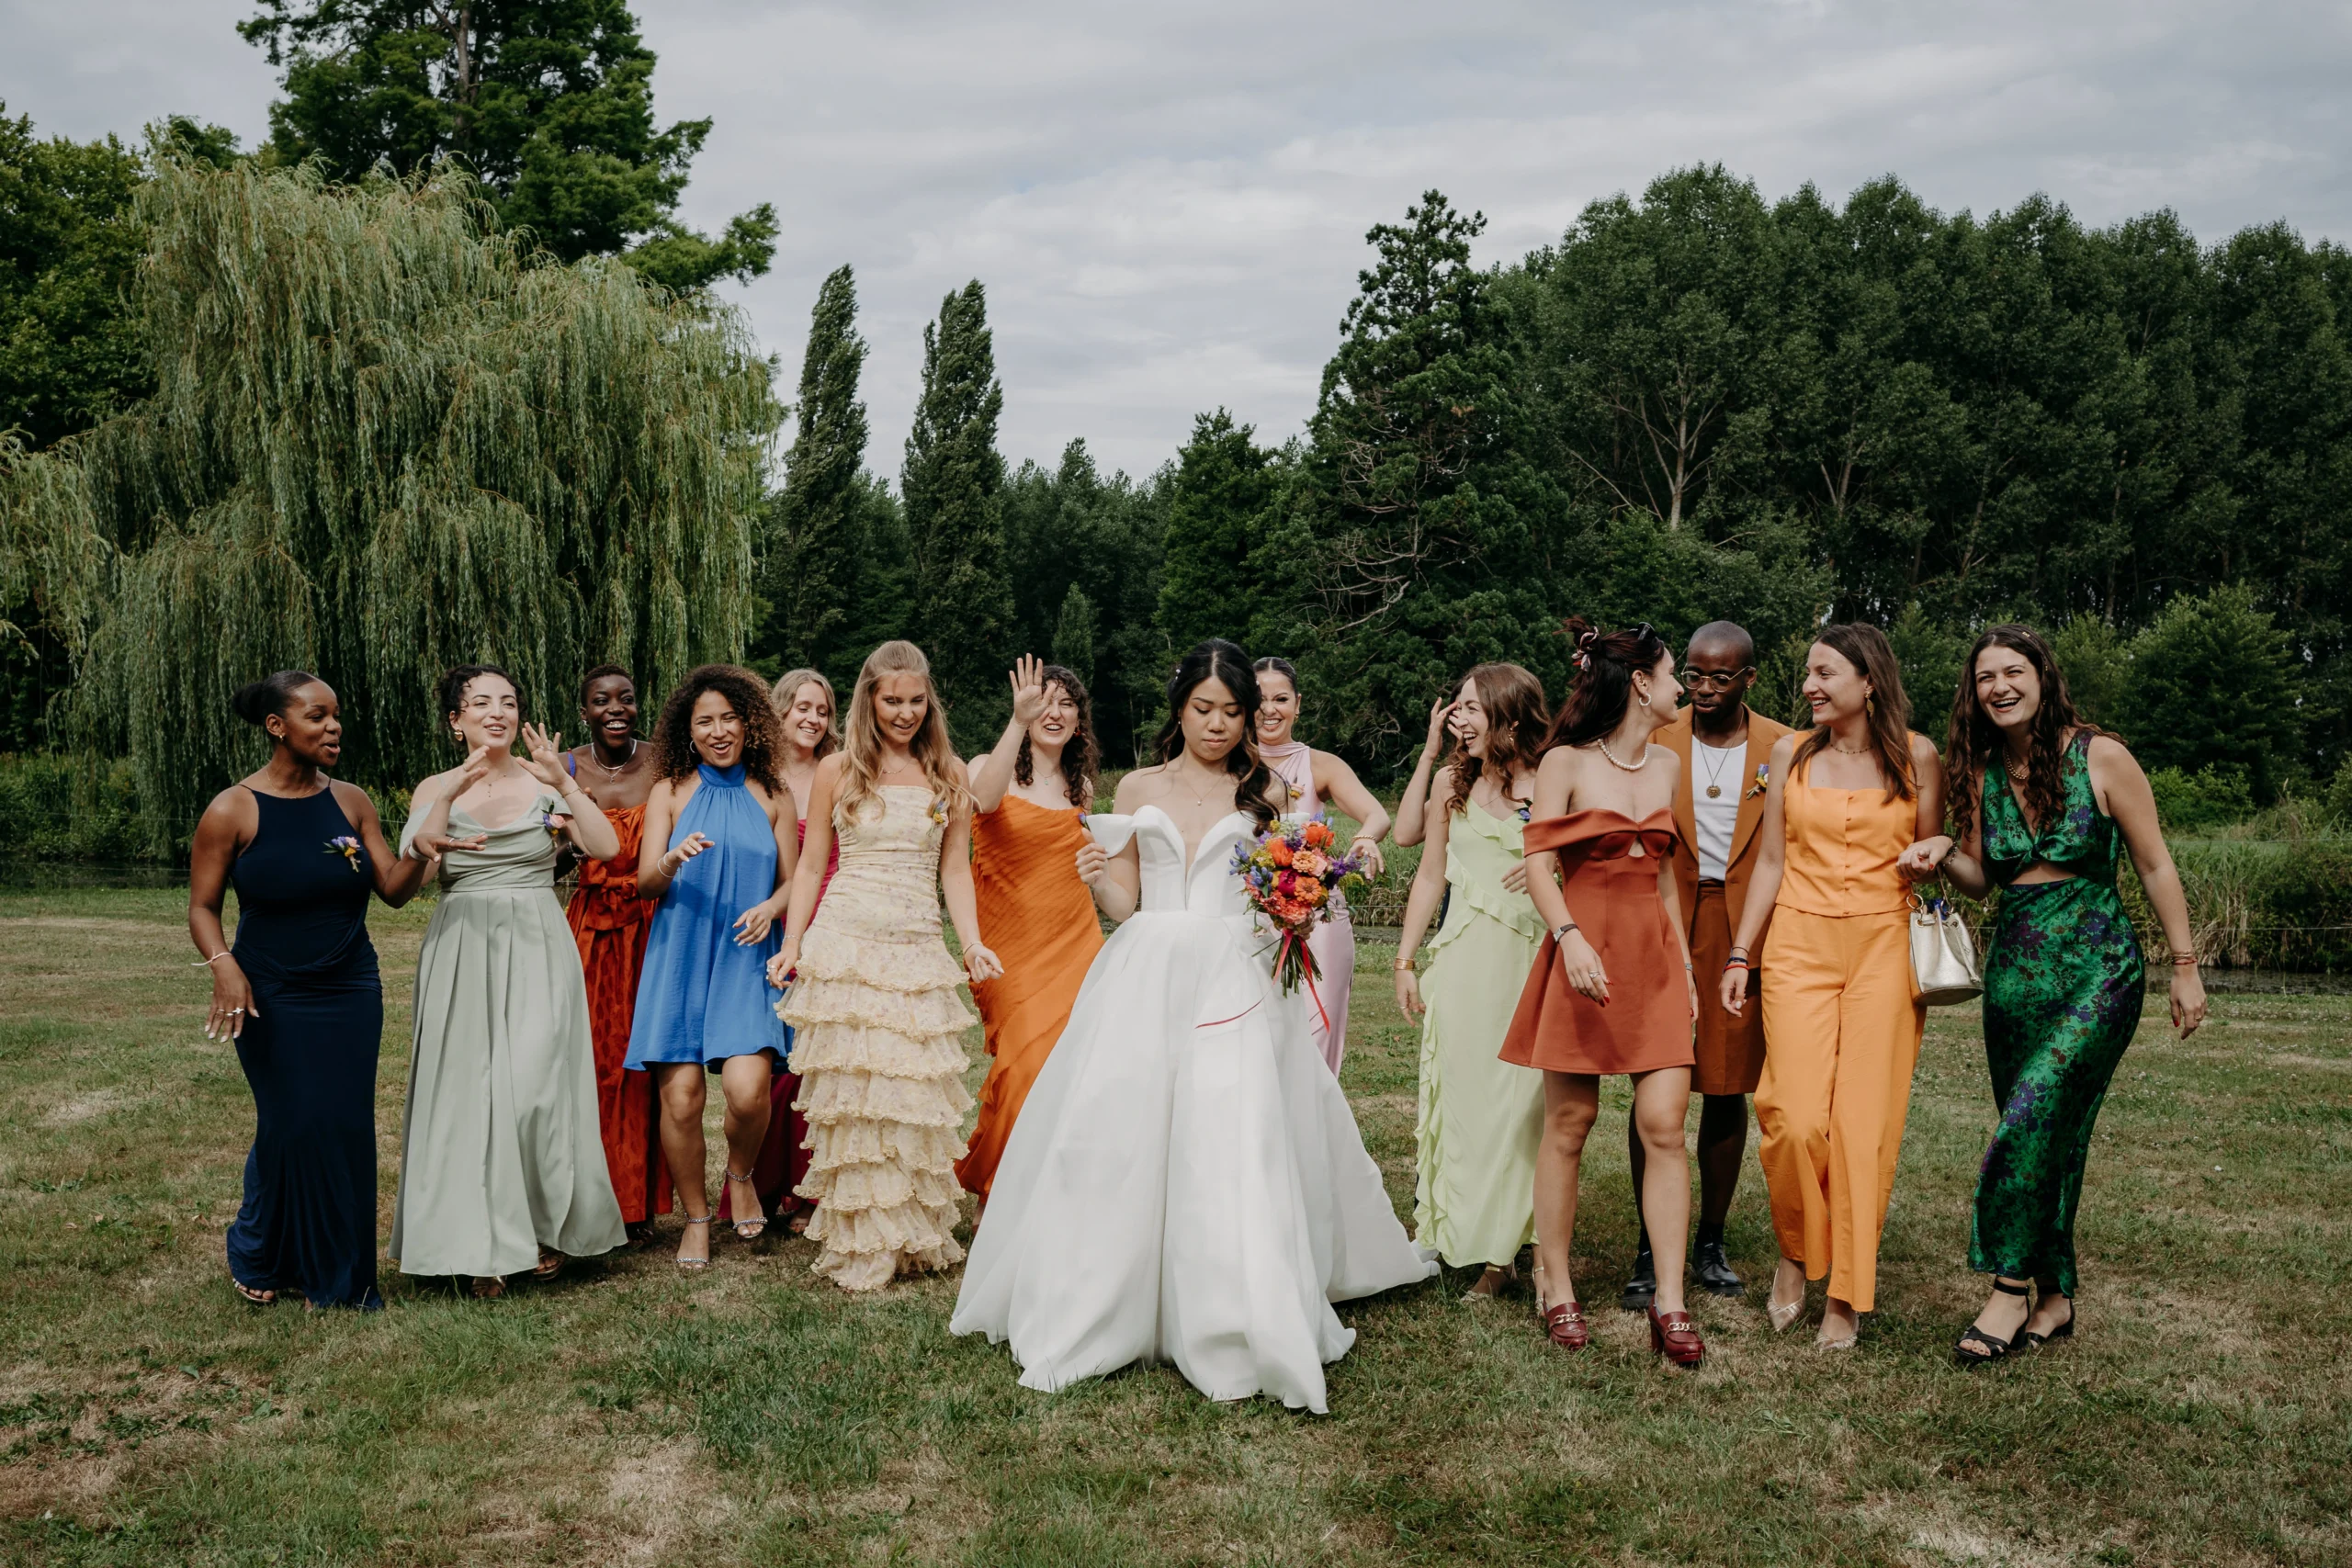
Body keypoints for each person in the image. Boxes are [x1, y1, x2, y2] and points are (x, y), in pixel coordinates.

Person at [951, 640, 1437, 1412]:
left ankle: (1230, 1311)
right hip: (1147, 966)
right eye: (1203, 709)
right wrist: (1096, 879)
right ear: (1179, 706)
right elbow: (1128, 905)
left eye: (1232, 712)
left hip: (1234, 973)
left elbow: (1281, 894)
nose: (1217, 724)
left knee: (1229, 1134)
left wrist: (1298, 908)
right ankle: (1104, 1298)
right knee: (1118, 1131)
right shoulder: (1138, 783)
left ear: (1249, 717)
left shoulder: (1268, 788)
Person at [1926, 625, 2208, 1365]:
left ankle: (2008, 1288)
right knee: (2053, 1132)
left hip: (2098, 967)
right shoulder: (1983, 771)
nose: (1999, 687)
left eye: (2013, 671)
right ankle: (2057, 1294)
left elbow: (2154, 864)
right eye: (1985, 677)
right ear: (1973, 694)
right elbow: (1986, 879)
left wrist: (2184, 963)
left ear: (2043, 677)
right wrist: (1944, 855)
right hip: (2016, 972)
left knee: (2030, 1117)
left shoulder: (2100, 755)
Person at [1720, 624, 1945, 1349]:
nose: (1810, 685)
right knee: (1790, 1113)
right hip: (1798, 945)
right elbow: (1771, 865)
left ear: (1869, 680)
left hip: (1884, 944)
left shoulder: (1919, 756)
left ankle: (1845, 1293)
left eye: (1825, 673)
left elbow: (1938, 848)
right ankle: (1795, 1251)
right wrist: (1739, 954)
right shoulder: (1791, 752)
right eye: (1809, 673)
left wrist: (1932, 849)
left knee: (1860, 1126)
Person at [187, 671, 435, 1310]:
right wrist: (223, 964)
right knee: (291, 1124)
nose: (333, 727)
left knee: (344, 1124)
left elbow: (394, 889)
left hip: (351, 985)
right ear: (278, 726)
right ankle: (259, 1247)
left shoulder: (351, 801)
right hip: (269, 989)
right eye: (317, 717)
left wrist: (425, 852)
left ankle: (343, 1277)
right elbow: (202, 907)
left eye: (336, 716)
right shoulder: (233, 809)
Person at [1500, 621, 1704, 1366]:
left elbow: (1663, 879)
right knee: (1572, 1121)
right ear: (1642, 682)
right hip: (1582, 952)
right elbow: (1540, 863)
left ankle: (1671, 1301)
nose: (1682, 685)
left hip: (1651, 960)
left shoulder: (1669, 768)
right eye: (1673, 671)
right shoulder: (1564, 761)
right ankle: (1555, 1285)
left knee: (1664, 1125)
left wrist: (1683, 969)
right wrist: (1569, 939)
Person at [390, 664, 628, 1296]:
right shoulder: (433, 787)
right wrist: (437, 815)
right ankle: (481, 1246)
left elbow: (604, 847)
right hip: (464, 942)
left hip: (537, 941)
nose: (496, 711)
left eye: (508, 701)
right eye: (480, 703)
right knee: (469, 1097)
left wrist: (564, 785)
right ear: (455, 720)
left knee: (536, 1088)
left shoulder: (543, 778)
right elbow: (409, 878)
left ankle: (545, 1224)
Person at [768, 641, 997, 1292]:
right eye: (892, 700)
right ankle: (863, 1236)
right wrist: (792, 943)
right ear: (869, 697)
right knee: (858, 1096)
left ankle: (912, 1231)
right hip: (846, 940)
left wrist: (971, 942)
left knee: (915, 1091)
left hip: (916, 942)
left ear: (930, 701)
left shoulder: (948, 770)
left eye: (915, 700)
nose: (904, 711)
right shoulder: (839, 768)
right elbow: (812, 865)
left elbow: (955, 867)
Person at [1620, 622, 1792, 1309]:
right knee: (1654, 1088)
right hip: (1661, 920)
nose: (1705, 689)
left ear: (1750, 677)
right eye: (1694, 675)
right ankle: (1647, 1242)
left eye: (1721, 677)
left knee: (1725, 1087)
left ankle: (1711, 1239)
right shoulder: (1658, 735)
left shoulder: (1783, 745)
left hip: (1742, 928)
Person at [625, 665, 801, 1269]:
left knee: (750, 1093)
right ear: (688, 730)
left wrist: (771, 908)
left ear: (750, 723)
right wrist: (672, 856)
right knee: (682, 1100)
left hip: (747, 955)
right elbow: (647, 882)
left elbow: (793, 882)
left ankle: (742, 1173)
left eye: (730, 718)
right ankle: (697, 1217)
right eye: (706, 721)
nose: (719, 730)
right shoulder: (669, 791)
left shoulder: (774, 792)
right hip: (681, 952)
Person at [1392, 663, 1550, 1301]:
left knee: (1522, 1107)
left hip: (1528, 961)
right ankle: (1473, 1237)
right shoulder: (1449, 785)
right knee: (1465, 1102)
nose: (1458, 717)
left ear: (1509, 714)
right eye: (1456, 706)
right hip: (1461, 961)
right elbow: (1430, 874)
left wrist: (1553, 863)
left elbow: (1592, 856)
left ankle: (1515, 1247)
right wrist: (1405, 960)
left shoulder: (1549, 782)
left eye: (1470, 707)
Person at [955, 655, 1105, 1213]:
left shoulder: (1081, 786)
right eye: (1046, 700)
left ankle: (1056, 1200)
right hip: (1008, 946)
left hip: (1076, 940)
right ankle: (996, 1195)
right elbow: (983, 802)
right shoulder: (983, 765)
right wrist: (1017, 720)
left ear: (1079, 722)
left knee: (1073, 1070)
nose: (1055, 711)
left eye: (1068, 704)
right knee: (1022, 1066)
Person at [722, 669, 842, 1236]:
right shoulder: (755, 775)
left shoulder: (841, 770)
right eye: (802, 708)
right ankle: (760, 1183)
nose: (813, 719)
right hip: (770, 919)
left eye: (822, 710)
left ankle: (812, 1191)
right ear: (779, 711)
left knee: (821, 1060)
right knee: (773, 1059)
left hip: (836, 913)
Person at [560, 665, 668, 1245]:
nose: (616, 708)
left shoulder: (664, 762)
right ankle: (590, 1193)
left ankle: (642, 1201)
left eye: (626, 698)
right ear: (586, 711)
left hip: (654, 924)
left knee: (645, 1060)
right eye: (602, 700)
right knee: (593, 1060)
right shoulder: (567, 768)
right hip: (590, 928)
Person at [1251, 656, 1391, 1075]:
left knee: (1316, 1031)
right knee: (1258, 1036)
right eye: (1259, 699)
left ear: (1298, 704)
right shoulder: (1227, 764)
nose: (1269, 709)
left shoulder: (1320, 765)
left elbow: (1377, 814)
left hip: (1317, 914)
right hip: (1249, 917)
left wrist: (1365, 837)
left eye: (1281, 699)